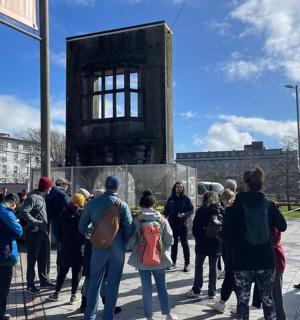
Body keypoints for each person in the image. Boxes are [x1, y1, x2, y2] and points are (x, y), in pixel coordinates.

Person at [224, 166, 287, 320]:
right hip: (265, 260)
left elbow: (226, 232)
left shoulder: (235, 205)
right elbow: (283, 226)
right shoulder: (268, 203)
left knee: (243, 302)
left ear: (246, 185)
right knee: (267, 300)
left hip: (243, 260)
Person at [79, 175, 135, 320]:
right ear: (118, 188)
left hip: (98, 248)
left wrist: (91, 237)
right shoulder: (122, 205)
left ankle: (90, 316)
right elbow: (130, 229)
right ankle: (108, 316)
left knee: (94, 282)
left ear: (105, 187)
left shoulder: (93, 203)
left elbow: (81, 225)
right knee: (113, 284)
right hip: (117, 249)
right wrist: (121, 240)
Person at [127, 190, 178, 320]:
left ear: (141, 205)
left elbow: (131, 241)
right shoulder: (161, 219)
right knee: (161, 286)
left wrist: (137, 248)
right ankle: (167, 314)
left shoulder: (137, 220)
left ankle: (149, 316)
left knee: (146, 288)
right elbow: (170, 239)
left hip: (142, 260)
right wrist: (160, 249)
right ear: (154, 205)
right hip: (159, 259)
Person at [47, 193, 86, 304]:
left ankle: (56, 293)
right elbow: (84, 232)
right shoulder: (82, 215)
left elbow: (58, 232)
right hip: (78, 248)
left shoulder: (63, 213)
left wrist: (62, 241)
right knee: (76, 272)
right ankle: (73, 296)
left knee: (63, 271)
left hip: (65, 246)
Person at [186, 192, 223, 299]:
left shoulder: (201, 210)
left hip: (202, 242)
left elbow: (195, 228)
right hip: (216, 243)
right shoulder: (220, 210)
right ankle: (212, 291)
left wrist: (199, 237)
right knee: (213, 268)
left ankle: (197, 289)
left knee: (199, 267)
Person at [21, 176, 54, 294]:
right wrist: (34, 223)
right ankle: (30, 284)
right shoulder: (34, 197)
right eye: (49, 187)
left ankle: (43, 280)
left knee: (43, 257)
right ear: (46, 188)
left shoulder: (41, 196)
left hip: (42, 233)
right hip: (35, 233)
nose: (50, 189)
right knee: (32, 259)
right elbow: (24, 211)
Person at [208, 189, 236, 313]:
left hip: (231, 250)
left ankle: (227, 303)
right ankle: (222, 302)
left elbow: (228, 232)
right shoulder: (234, 210)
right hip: (233, 250)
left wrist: (221, 233)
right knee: (230, 277)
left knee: (232, 276)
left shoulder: (229, 211)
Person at [252, 226, 286, 320]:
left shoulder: (270, 219)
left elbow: (272, 239)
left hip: (274, 263)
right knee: (267, 298)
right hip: (268, 263)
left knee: (275, 297)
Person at [0, 193, 23, 320]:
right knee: (3, 288)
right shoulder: (5, 211)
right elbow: (18, 231)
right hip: (4, 254)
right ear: (13, 202)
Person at [163, 181, 194, 272]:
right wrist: (163, 217)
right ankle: (173, 262)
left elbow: (191, 209)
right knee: (174, 243)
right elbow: (166, 210)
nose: (179, 188)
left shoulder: (186, 199)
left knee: (185, 244)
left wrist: (185, 214)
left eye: (181, 187)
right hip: (172, 224)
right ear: (175, 188)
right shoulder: (171, 199)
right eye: (177, 187)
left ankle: (187, 263)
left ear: (183, 188)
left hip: (182, 225)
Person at [46, 178, 71, 248]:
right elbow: (69, 208)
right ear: (62, 184)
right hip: (63, 222)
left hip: (51, 220)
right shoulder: (63, 194)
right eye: (66, 185)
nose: (67, 187)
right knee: (63, 244)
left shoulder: (49, 193)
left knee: (57, 241)